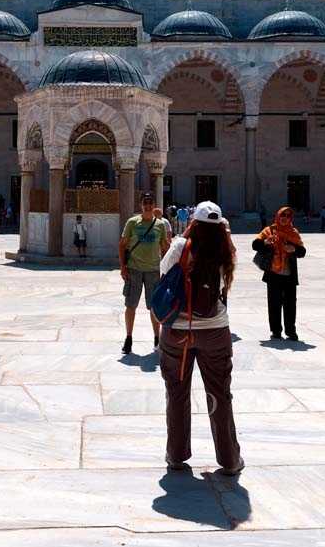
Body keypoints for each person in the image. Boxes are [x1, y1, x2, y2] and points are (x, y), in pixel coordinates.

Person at [156, 201, 242, 477]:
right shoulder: (225, 248)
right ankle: (229, 459)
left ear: (193, 221)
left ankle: (177, 455)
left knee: (177, 392)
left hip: (179, 331)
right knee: (220, 393)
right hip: (215, 329)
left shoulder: (182, 246)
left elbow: (163, 273)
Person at [118, 193, 171, 355]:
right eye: (145, 203)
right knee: (130, 305)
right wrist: (123, 266)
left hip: (153, 271)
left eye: (150, 203)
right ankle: (128, 338)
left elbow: (165, 248)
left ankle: (157, 337)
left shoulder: (160, 225)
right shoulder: (133, 223)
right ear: (141, 205)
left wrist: (166, 269)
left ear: (153, 204)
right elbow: (122, 245)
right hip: (134, 269)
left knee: (154, 306)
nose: (147, 206)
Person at [252, 206, 306, 342]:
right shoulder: (269, 230)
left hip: (289, 275)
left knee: (290, 304)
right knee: (274, 304)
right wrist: (265, 242)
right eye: (282, 216)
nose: (284, 219)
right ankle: (276, 331)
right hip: (273, 274)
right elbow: (255, 245)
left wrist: (293, 249)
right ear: (278, 216)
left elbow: (302, 251)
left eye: (287, 217)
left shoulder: (293, 232)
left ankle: (291, 331)